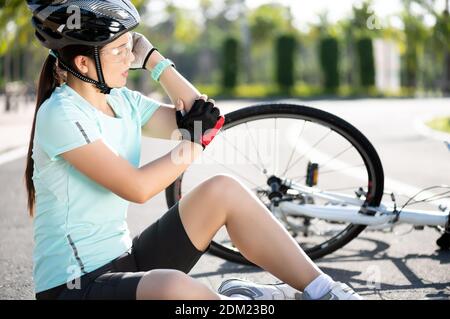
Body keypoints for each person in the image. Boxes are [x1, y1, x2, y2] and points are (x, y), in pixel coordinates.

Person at [24, 0, 362, 300]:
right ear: (83, 63)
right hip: (75, 286)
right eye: (120, 51)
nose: (130, 58)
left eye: (132, 47)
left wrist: (155, 60)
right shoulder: (60, 114)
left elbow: (204, 119)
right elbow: (137, 187)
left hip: (127, 261)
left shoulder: (121, 100)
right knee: (177, 290)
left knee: (223, 190)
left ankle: (324, 291)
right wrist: (192, 145)